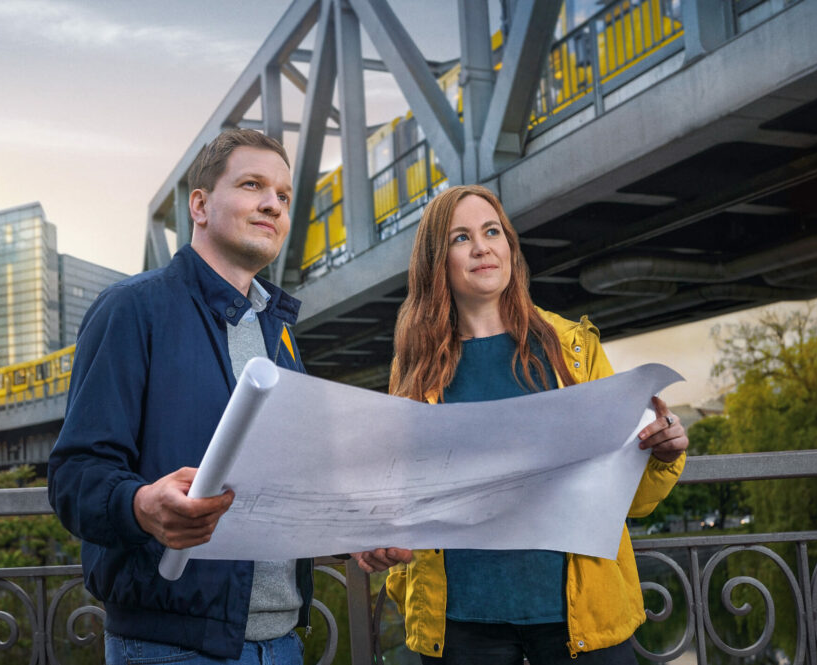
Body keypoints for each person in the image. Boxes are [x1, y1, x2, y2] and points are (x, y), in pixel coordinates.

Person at [352, 185, 688, 664]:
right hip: (461, 622)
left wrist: (664, 452)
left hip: (579, 614)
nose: (482, 247)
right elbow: (399, 491)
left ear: (510, 245)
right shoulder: (416, 366)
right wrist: (379, 535)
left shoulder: (572, 349)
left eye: (492, 231)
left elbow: (630, 502)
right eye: (460, 238)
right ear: (437, 260)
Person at [47, 129, 312, 664]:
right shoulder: (131, 309)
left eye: (283, 196)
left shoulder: (277, 332)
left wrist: (361, 532)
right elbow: (76, 474)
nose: (273, 204)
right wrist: (140, 505)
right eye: (253, 185)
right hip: (171, 648)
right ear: (199, 205)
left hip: (283, 643)